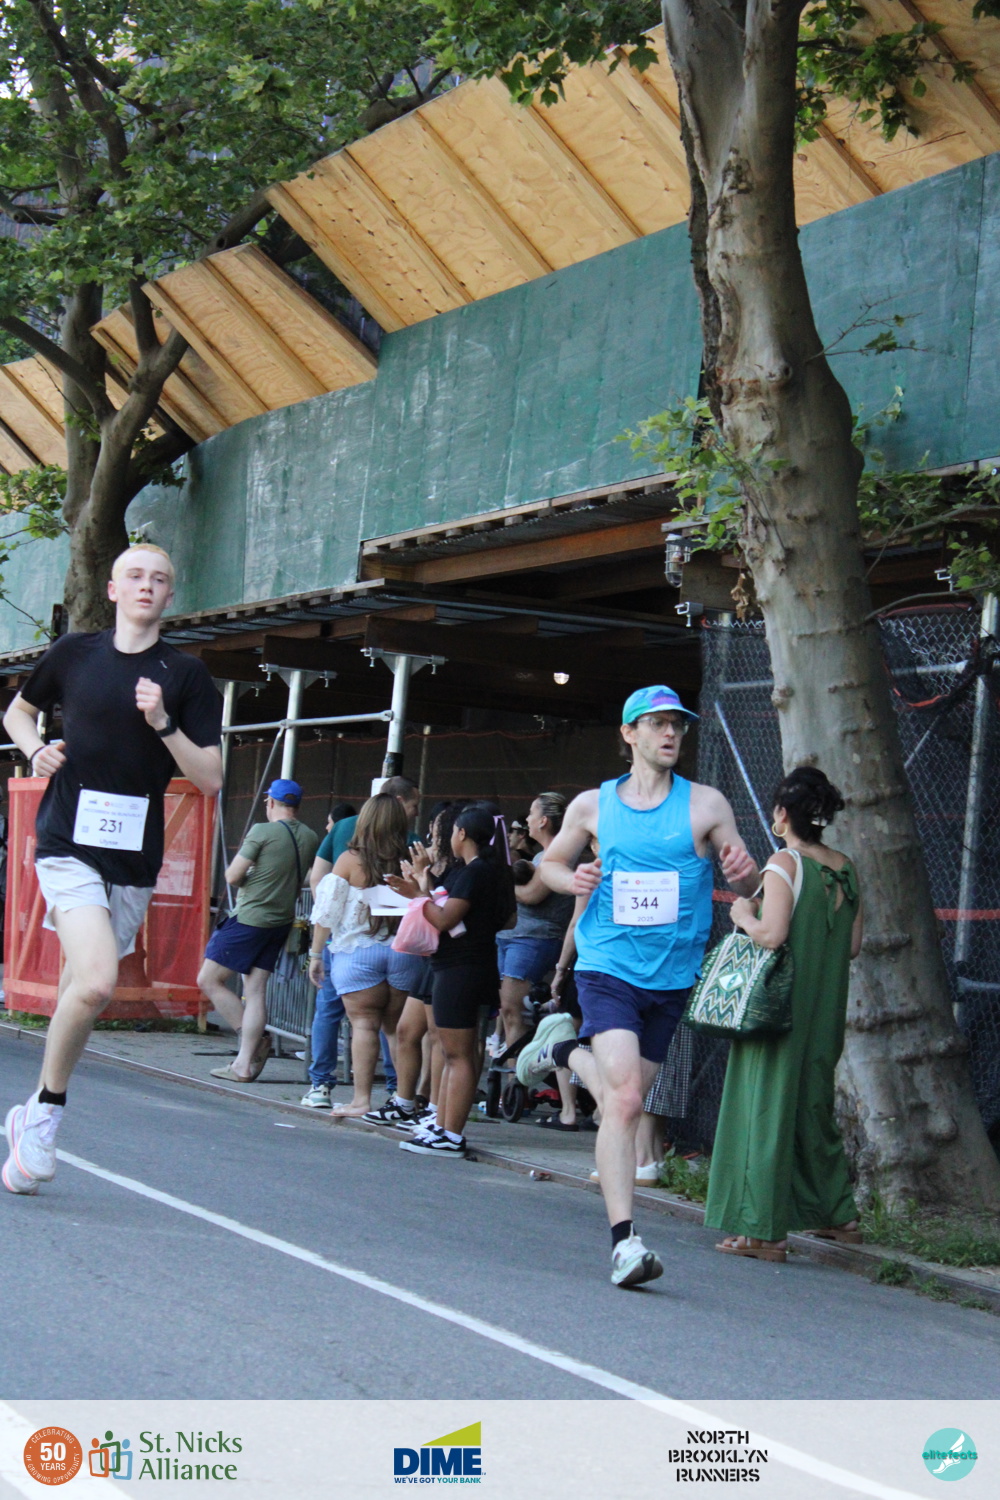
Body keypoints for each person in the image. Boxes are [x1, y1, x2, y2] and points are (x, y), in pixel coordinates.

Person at [516, 685, 758, 1287]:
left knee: (625, 1097)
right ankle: (625, 1243)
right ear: (629, 734)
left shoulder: (706, 805)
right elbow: (551, 865)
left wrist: (746, 877)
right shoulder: (592, 806)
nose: (669, 733)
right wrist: (571, 878)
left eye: (676, 724)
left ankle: (564, 1053)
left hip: (672, 978)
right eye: (656, 724)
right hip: (607, 966)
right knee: (625, 1102)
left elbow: (748, 883)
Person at [2, 544, 223, 1196]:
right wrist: (35, 749)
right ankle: (47, 1112)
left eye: (159, 578)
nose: (146, 586)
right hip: (66, 840)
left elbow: (210, 777)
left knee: (80, 989)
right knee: (99, 981)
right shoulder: (75, 653)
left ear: (170, 594)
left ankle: (30, 1113)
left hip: (133, 858)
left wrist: (163, 724)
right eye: (135, 576)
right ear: (113, 588)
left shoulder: (187, 675)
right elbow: (17, 710)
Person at [706, 767, 863, 1263]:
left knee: (764, 1110)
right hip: (825, 1011)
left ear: (781, 814)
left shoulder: (783, 863)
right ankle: (840, 1215)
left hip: (776, 1011)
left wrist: (742, 915)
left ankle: (763, 1231)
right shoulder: (846, 868)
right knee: (812, 1109)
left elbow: (771, 935)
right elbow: (853, 945)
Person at [394, 803, 515, 1158]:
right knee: (451, 1053)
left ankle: (451, 1133)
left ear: (461, 833)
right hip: (464, 965)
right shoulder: (488, 871)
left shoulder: (476, 872)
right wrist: (422, 885)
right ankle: (442, 1125)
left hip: (462, 968)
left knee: (458, 1055)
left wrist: (418, 896)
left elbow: (446, 919)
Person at [308, 794, 423, 1117]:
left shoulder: (350, 860)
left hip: (357, 953)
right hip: (404, 953)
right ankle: (404, 1101)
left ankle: (360, 1101)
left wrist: (316, 954)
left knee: (364, 1026)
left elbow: (327, 912)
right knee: (397, 1030)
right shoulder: (412, 859)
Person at [199, 778, 319, 1083]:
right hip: (280, 922)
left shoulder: (262, 831)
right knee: (255, 991)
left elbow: (232, 875)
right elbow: (307, 875)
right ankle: (243, 1065)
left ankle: (251, 1041)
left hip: (250, 918)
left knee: (209, 980)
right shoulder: (310, 836)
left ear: (271, 802)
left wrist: (251, 877)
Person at [362, 801, 461, 1132]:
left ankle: (434, 1108)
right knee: (406, 1030)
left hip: (451, 958)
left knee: (438, 1037)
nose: (431, 835)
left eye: (437, 828)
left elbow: (440, 910)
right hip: (431, 958)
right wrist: (417, 880)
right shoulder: (438, 864)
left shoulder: (462, 871)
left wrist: (420, 882)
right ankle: (404, 1102)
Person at [497, 792, 576, 1051]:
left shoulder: (558, 855)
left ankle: (517, 1075)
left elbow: (532, 895)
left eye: (532, 813)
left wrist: (501, 885)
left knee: (514, 1011)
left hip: (534, 939)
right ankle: (511, 1072)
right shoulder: (542, 856)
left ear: (543, 821)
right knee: (508, 1011)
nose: (528, 819)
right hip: (516, 937)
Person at [301, 801, 357, 1108]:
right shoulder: (408, 837)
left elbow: (319, 886)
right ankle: (394, 1094)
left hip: (343, 941)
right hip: (391, 944)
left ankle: (321, 1085)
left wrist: (316, 953)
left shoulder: (345, 848)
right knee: (383, 1024)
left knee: (328, 1011)